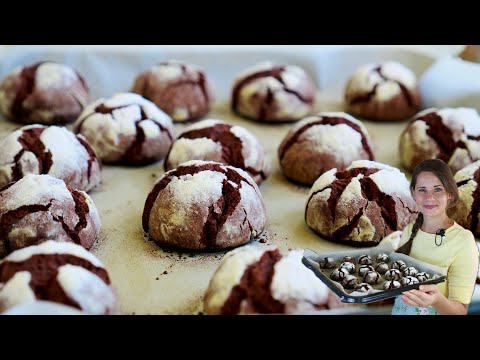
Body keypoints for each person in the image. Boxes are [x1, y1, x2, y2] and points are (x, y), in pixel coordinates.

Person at [391, 159, 479, 315]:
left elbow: (460, 311)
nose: (429, 197)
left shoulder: (463, 241)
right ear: (413, 193)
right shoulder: (409, 230)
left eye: (437, 189)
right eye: (422, 190)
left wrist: (437, 300)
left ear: (450, 194)